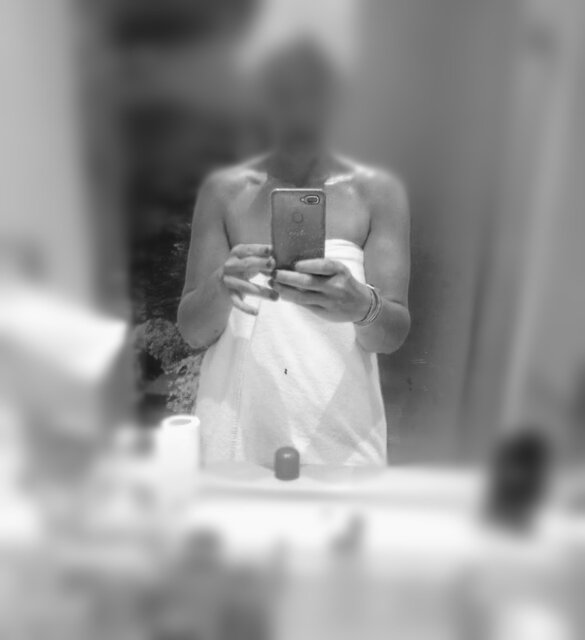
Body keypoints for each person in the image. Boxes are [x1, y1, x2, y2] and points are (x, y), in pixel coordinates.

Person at [178, 38, 410, 466]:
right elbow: (193, 331)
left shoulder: (376, 193)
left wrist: (363, 305)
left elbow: (391, 334)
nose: (297, 108)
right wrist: (221, 286)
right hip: (237, 433)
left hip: (341, 437)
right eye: (281, 93)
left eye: (310, 92)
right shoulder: (226, 192)